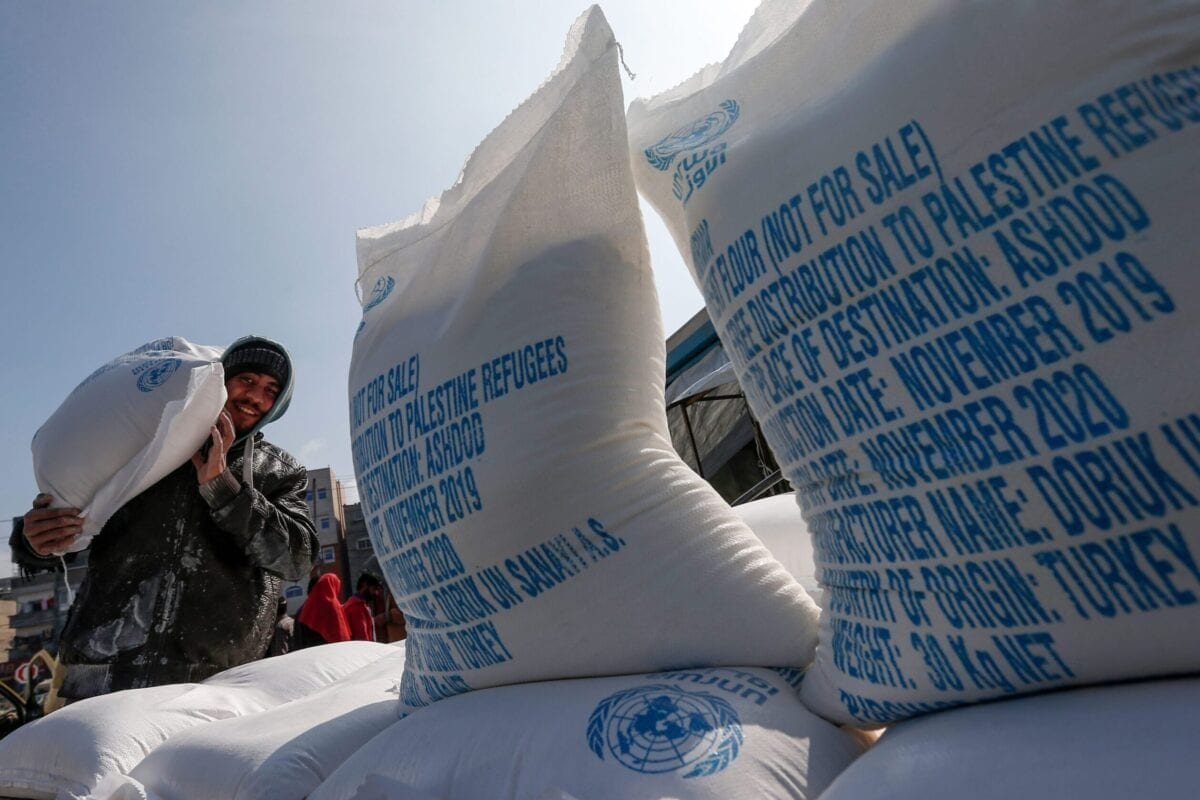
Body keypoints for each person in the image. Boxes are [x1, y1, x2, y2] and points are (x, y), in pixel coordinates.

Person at [13, 336, 319, 700]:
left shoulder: (278, 472)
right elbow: (68, 526)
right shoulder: (144, 444)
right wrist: (31, 542)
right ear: (221, 379)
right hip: (104, 670)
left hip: (215, 679)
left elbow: (298, 557)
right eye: (247, 380)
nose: (256, 397)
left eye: (271, 389)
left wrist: (228, 494)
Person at [293, 572, 351, 648]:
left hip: (311, 650)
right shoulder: (332, 605)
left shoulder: (307, 607)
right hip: (333, 649)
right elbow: (340, 634)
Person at [343, 573, 383, 642]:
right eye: (374, 588)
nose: (376, 593)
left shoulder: (361, 605)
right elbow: (362, 637)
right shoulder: (355, 607)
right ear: (364, 585)